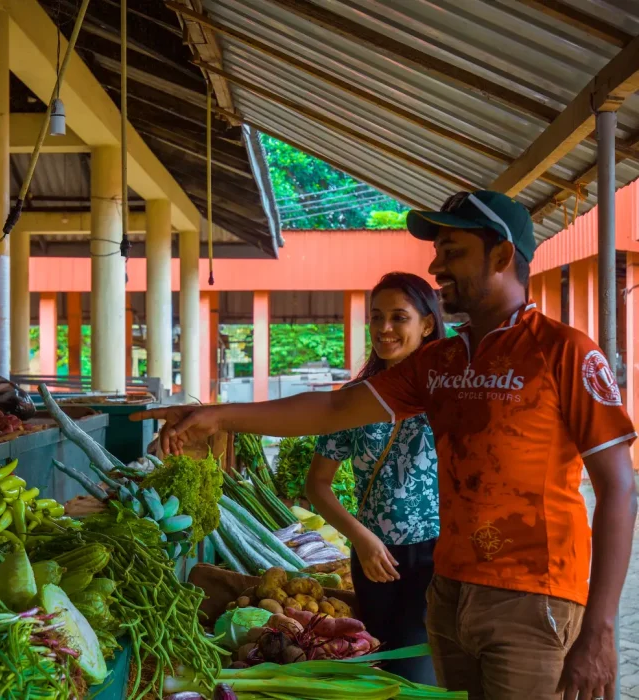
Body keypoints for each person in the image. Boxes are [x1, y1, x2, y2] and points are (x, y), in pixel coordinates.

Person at [133, 190, 638, 700]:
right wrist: (215, 415)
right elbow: (333, 409)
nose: (436, 264)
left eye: (453, 251)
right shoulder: (438, 361)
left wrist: (599, 628)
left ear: (503, 256)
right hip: (447, 593)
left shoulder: (565, 353)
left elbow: (619, 491)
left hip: (533, 598)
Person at [307, 272, 443, 683]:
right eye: (377, 317)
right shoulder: (355, 399)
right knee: (381, 670)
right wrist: (362, 538)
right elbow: (317, 484)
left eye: (399, 317)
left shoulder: (450, 395)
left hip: (440, 556)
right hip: (374, 560)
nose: (385, 329)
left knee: (419, 672)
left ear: (427, 324)